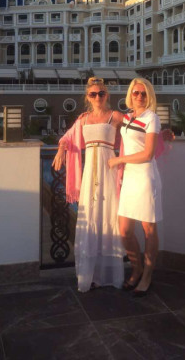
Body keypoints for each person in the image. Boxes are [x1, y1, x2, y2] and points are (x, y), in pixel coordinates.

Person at [52, 77, 124, 292]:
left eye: (101, 93)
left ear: (107, 95)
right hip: (90, 174)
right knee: (91, 215)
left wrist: (161, 134)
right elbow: (67, 137)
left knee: (108, 216)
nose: (97, 97)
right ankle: (89, 274)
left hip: (109, 170)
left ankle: (108, 274)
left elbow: (137, 131)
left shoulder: (115, 116)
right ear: (88, 97)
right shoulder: (83, 119)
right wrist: (61, 149)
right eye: (93, 94)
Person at [108, 77, 170, 297]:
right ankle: (137, 269)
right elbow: (115, 130)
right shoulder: (127, 117)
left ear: (149, 96)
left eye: (144, 93)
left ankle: (146, 276)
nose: (140, 96)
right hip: (129, 179)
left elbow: (148, 153)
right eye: (136, 93)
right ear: (130, 95)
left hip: (145, 178)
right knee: (125, 230)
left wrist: (119, 160)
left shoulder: (152, 117)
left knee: (148, 230)